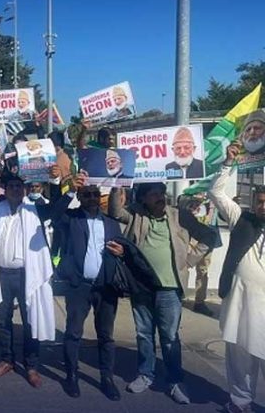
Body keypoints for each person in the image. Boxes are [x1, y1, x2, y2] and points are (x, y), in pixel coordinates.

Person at [109, 182, 220, 404]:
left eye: (161, 193)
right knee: (143, 334)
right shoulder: (135, 214)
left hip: (169, 289)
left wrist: (190, 259)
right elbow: (114, 212)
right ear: (143, 199)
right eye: (154, 195)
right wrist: (116, 186)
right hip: (141, 286)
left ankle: (175, 381)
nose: (160, 197)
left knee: (170, 338)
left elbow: (211, 237)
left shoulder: (179, 216)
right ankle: (145, 374)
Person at [53, 173, 124, 401]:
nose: (92, 198)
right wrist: (71, 190)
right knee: (73, 333)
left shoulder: (112, 224)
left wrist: (122, 252)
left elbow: (123, 253)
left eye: (95, 194)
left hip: (105, 287)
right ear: (81, 198)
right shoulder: (71, 218)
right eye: (87, 195)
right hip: (79, 286)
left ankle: (107, 378)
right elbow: (53, 215)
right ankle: (71, 375)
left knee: (106, 336)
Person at [0, 171, 59, 389]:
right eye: (12, 186)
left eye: (20, 186)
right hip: (1, 273)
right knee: (2, 318)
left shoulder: (34, 209)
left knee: (30, 319)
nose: (16, 190)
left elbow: (57, 208)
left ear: (25, 189)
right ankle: (7, 359)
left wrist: (55, 182)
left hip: (26, 274)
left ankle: (31, 365)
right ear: (5, 190)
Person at [208, 141, 265, 413]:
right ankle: (240, 403)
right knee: (239, 356)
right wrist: (228, 163)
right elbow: (216, 193)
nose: (263, 206)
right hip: (240, 303)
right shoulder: (241, 219)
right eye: (260, 201)